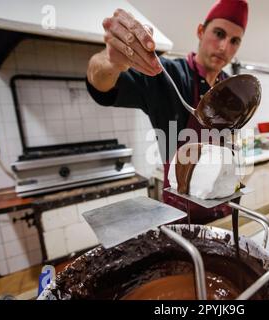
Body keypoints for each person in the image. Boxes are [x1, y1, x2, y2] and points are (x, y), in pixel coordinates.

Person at [86, 0, 248, 225]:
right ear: (200, 31)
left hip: (225, 207)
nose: (224, 47)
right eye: (218, 34)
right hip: (182, 212)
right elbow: (102, 87)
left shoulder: (230, 87)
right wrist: (112, 62)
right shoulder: (165, 74)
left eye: (234, 41)